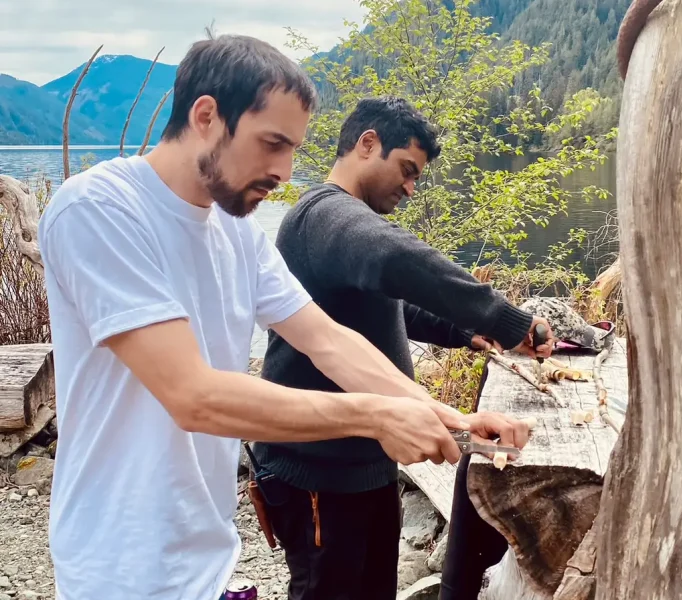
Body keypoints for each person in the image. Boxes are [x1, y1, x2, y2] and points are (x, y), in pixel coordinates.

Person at [37, 35, 528, 600]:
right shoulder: (99, 209)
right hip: (121, 567)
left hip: (209, 554)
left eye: (293, 149)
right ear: (206, 116)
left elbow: (328, 341)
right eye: (272, 143)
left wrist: (447, 416)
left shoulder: (236, 231)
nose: (285, 172)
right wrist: (376, 416)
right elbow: (193, 396)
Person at [251, 96, 555, 600]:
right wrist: (503, 318)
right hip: (319, 474)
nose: (411, 188)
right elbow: (395, 258)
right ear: (368, 144)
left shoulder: (342, 225)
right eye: (407, 170)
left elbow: (393, 307)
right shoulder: (322, 215)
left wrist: (466, 332)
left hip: (368, 461)